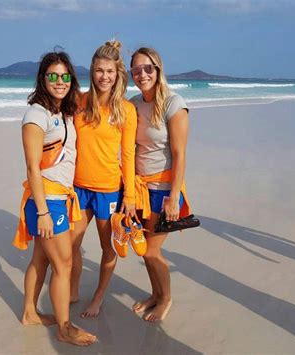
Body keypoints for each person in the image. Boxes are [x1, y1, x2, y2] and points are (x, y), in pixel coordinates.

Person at [13, 51, 96, 346]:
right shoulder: (37, 115)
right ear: (42, 78)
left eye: (64, 76)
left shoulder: (62, 111)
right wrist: (45, 212)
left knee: (41, 259)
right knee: (63, 266)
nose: (59, 81)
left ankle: (29, 313)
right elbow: (32, 167)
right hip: (48, 201)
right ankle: (64, 327)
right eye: (52, 76)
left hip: (57, 198)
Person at [70, 40, 137, 318]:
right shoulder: (78, 102)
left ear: (118, 73)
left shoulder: (125, 111)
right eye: (99, 70)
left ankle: (98, 296)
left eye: (109, 71)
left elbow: (129, 156)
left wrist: (130, 196)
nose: (104, 76)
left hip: (109, 191)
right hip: (77, 187)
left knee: (107, 248)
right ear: (92, 72)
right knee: (71, 244)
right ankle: (72, 287)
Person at [129, 47, 192, 322]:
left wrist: (173, 197)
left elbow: (179, 155)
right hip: (140, 189)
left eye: (147, 68)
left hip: (164, 190)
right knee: (144, 249)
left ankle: (165, 298)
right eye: (136, 70)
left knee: (151, 250)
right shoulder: (134, 103)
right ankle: (155, 294)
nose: (142, 74)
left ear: (158, 69)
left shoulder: (173, 103)